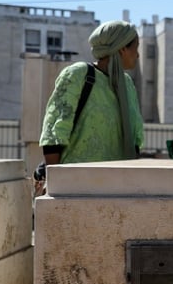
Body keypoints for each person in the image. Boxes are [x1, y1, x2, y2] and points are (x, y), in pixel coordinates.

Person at [37, 20, 144, 193]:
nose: (137, 55)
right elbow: (54, 132)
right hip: (75, 188)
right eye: (135, 48)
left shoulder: (127, 85)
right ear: (122, 48)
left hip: (117, 189)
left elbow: (134, 141)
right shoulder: (79, 74)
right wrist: (54, 182)